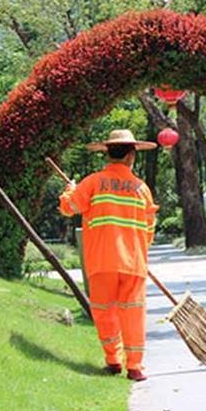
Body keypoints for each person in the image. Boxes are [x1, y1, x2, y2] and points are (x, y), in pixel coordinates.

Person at [59, 129, 159, 382]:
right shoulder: (141, 189)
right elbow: (149, 228)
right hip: (134, 262)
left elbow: (69, 208)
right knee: (133, 313)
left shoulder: (92, 182)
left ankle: (113, 361)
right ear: (131, 155)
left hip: (101, 261)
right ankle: (135, 366)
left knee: (105, 312)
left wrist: (70, 191)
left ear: (108, 153)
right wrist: (140, 251)